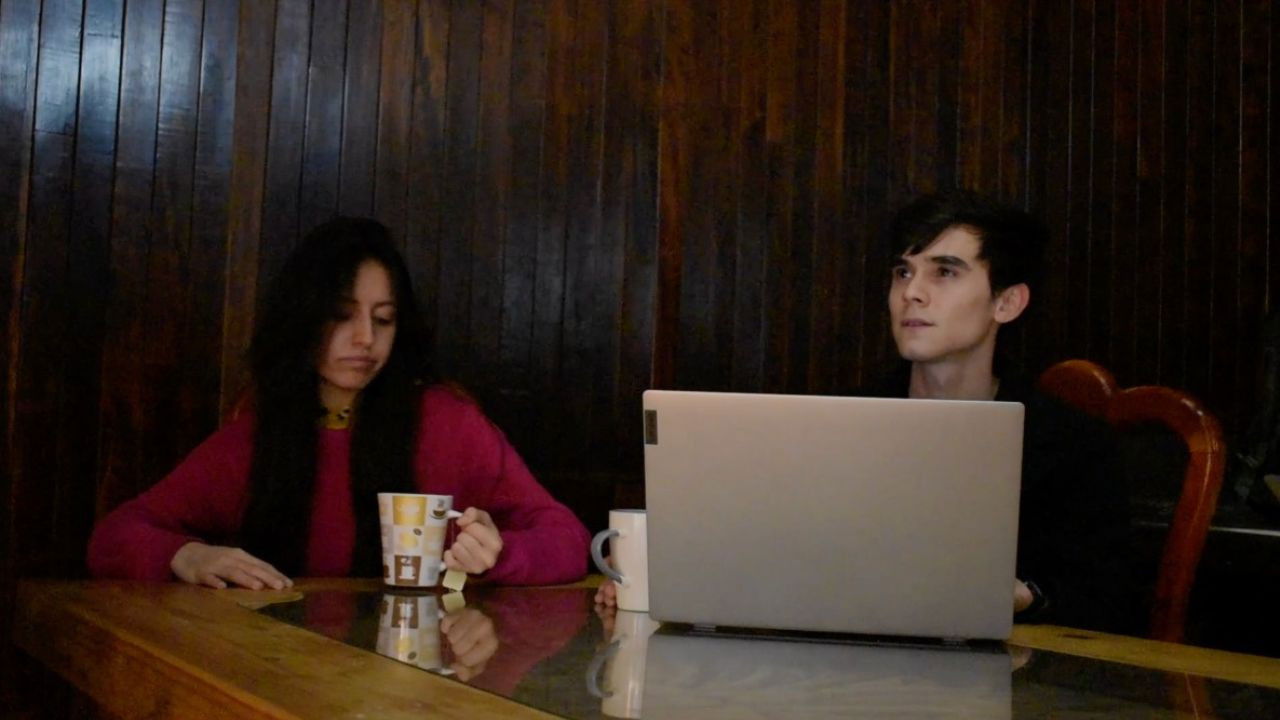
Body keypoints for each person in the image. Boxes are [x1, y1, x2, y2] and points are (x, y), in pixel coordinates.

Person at [596, 191, 1137, 634]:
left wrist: (1020, 596)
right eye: (903, 272)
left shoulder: (1072, 444)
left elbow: (1108, 598)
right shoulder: (835, 425)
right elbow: (775, 559)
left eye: (944, 273)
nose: (912, 294)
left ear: (1007, 302)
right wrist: (664, 579)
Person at [88, 217, 590, 589]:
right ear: (302, 318)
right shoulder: (258, 435)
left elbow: (567, 538)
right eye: (341, 315)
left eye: (384, 319)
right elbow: (114, 537)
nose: (366, 338)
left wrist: (500, 554)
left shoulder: (449, 424)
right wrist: (188, 556)